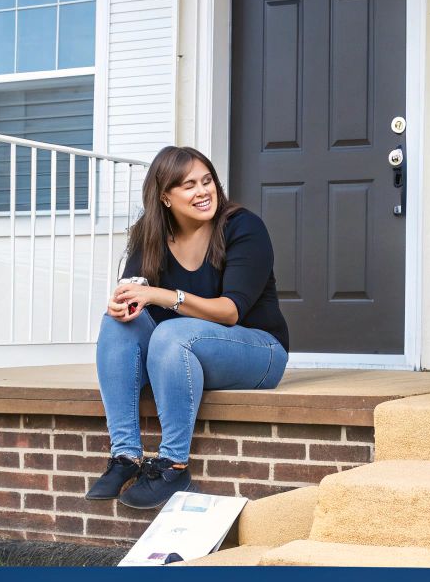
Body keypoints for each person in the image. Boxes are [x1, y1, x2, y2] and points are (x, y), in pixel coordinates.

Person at [89, 146, 290, 509]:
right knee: (117, 323)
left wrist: (163, 296)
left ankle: (174, 465)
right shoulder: (149, 234)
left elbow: (230, 312)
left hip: (259, 351)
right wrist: (123, 302)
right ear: (165, 196)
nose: (203, 191)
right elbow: (134, 294)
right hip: (183, 350)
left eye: (207, 181)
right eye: (189, 185)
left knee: (170, 332)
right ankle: (125, 456)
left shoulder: (243, 227)